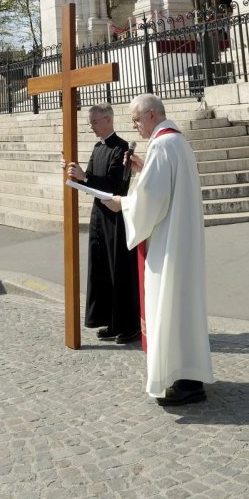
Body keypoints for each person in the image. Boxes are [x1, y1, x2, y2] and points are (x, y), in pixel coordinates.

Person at [103, 94, 213, 406]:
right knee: (182, 310)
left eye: (136, 119)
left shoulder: (162, 145)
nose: (134, 126)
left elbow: (150, 201)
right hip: (183, 239)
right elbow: (164, 186)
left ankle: (185, 383)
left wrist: (121, 204)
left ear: (151, 115)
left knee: (167, 307)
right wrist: (143, 169)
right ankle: (189, 377)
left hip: (169, 244)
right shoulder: (177, 141)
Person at [66, 104, 140, 344]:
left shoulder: (121, 149)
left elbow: (116, 186)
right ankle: (110, 321)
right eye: (90, 122)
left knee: (118, 270)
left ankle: (129, 325)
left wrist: (85, 177)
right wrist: (77, 175)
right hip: (98, 214)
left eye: (95, 122)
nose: (92, 126)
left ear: (108, 120)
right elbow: (90, 177)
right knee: (101, 269)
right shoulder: (98, 147)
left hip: (116, 216)